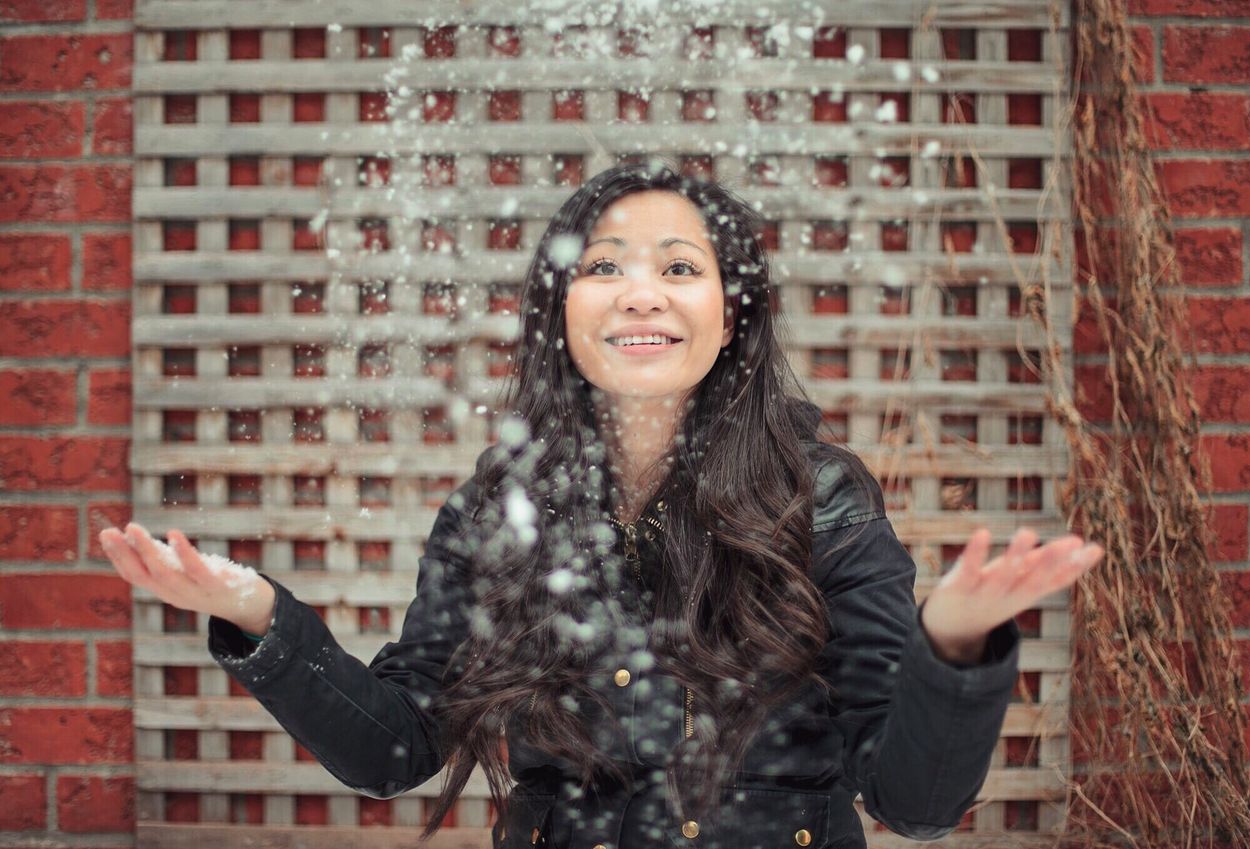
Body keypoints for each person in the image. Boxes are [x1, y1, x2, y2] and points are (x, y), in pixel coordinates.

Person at [101, 160, 1102, 849]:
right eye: (602, 267)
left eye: (678, 268)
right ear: (558, 309)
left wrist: (956, 646)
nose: (639, 293)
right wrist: (258, 620)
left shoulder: (822, 498)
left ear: (730, 312)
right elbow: (396, 745)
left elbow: (912, 803)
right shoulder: (500, 512)